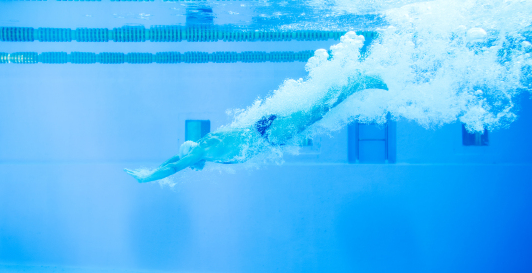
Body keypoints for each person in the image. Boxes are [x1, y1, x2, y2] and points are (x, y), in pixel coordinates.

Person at [125, 74, 387, 183]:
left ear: (190, 153)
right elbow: (175, 159)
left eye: (191, 163)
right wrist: (155, 166)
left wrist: (148, 177)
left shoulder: (201, 151)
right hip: (264, 130)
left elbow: (175, 166)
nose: (193, 168)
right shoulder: (205, 146)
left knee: (316, 113)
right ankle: (350, 83)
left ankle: (356, 83)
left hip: (267, 133)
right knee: (313, 113)